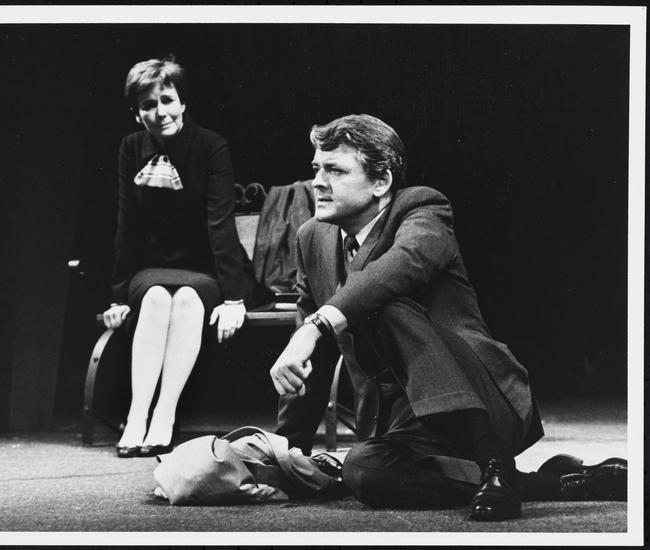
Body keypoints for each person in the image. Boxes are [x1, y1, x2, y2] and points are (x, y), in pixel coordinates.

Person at [269, 114, 627, 520]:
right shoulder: (312, 238)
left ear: (381, 181)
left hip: (479, 403)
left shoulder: (422, 208)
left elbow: (401, 267)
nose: (317, 182)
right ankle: (553, 481)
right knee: (363, 471)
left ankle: (494, 459)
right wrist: (288, 452)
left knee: (382, 305)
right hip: (404, 427)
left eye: (335, 170)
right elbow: (309, 365)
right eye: (316, 168)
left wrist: (318, 324)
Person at [103, 56, 257, 458]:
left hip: (205, 267)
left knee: (187, 298)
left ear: (183, 102)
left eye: (167, 100)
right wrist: (118, 296)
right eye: (148, 105)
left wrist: (234, 297)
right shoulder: (130, 147)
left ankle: (165, 414)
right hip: (150, 268)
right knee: (155, 297)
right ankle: (137, 414)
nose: (160, 112)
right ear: (137, 114)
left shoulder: (211, 146)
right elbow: (126, 225)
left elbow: (220, 222)